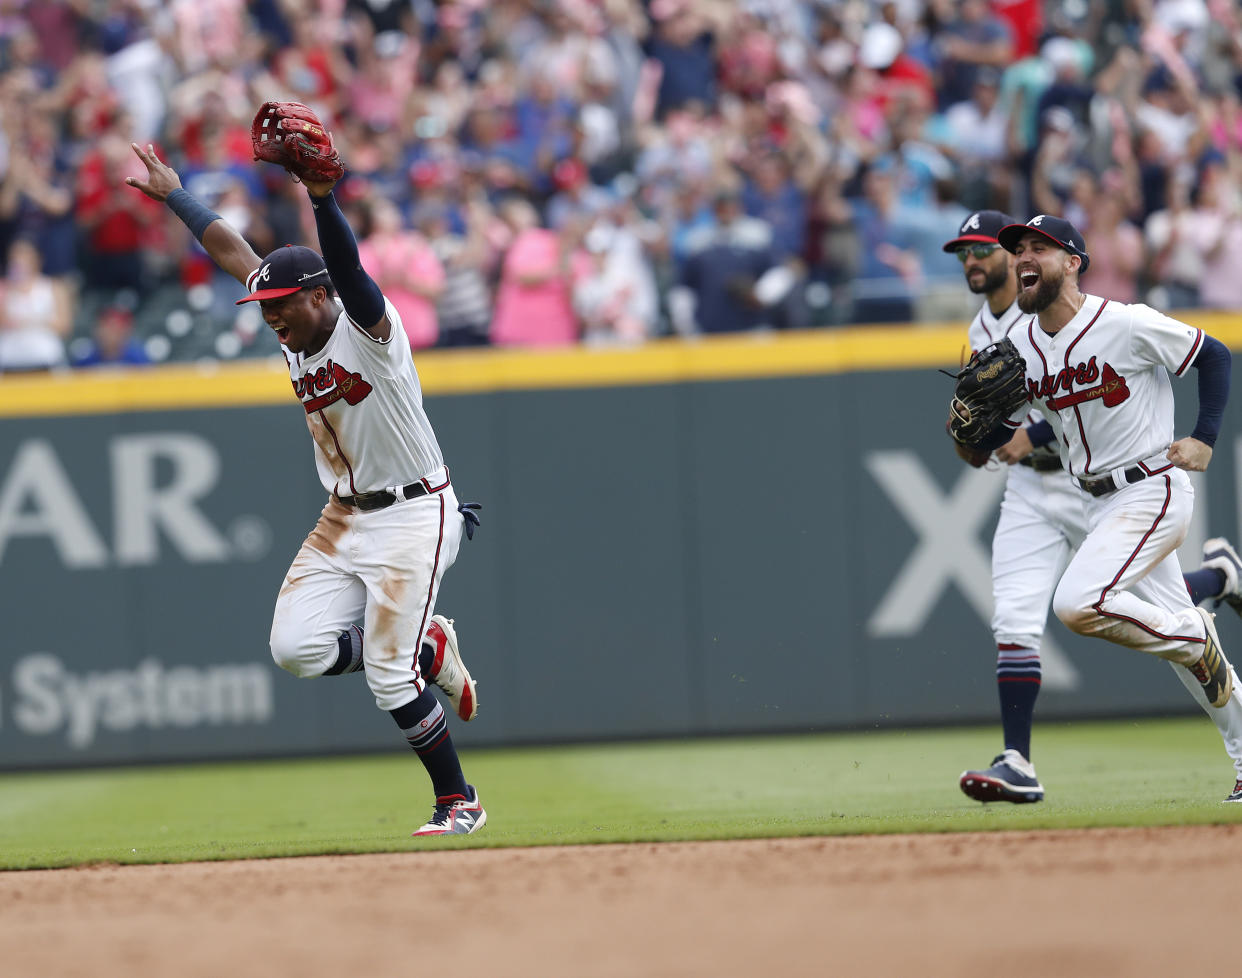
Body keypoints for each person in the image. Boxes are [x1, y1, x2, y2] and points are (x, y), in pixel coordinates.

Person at [124, 141, 486, 836]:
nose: (270, 316)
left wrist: (322, 199)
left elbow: (349, 269)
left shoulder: (369, 332)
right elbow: (231, 249)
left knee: (387, 676)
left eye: (281, 303)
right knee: (296, 648)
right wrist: (176, 195)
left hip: (415, 512)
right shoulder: (293, 329)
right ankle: (430, 649)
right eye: (264, 306)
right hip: (345, 517)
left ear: (321, 297)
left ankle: (459, 800)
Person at [946, 211, 1242, 806]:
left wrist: (1205, 436)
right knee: (1182, 655)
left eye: (1039, 248)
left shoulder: (1125, 324)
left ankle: (1192, 633)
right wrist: (966, 426)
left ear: (1073, 262)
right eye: (1019, 249)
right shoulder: (1021, 345)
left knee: (1079, 604)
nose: (1024, 258)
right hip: (1095, 500)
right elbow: (989, 441)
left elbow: (1215, 355)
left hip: (1151, 488)